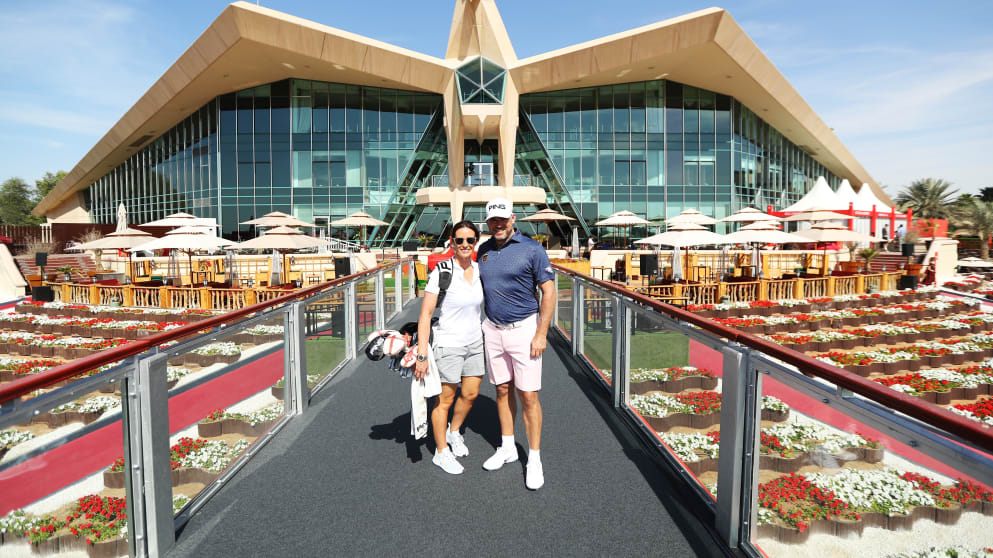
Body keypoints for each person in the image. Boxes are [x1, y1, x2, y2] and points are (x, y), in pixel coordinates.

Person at [477, 198, 555, 490]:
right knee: (501, 389)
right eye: (492, 221)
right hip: (493, 330)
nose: (498, 224)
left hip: (524, 330)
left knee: (529, 396)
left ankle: (534, 458)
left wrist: (541, 333)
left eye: (502, 219)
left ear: (512, 219)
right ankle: (508, 447)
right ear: (488, 223)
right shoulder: (482, 251)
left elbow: (549, 292)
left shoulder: (533, 249)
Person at [414, 221, 485, 475]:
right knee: (445, 400)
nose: (465, 245)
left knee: (471, 394)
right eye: (460, 240)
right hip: (448, 345)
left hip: (475, 342)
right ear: (452, 242)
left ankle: (454, 432)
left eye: (470, 240)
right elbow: (426, 315)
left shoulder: (480, 270)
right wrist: (422, 353)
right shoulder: (441, 271)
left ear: (476, 242)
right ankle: (441, 452)